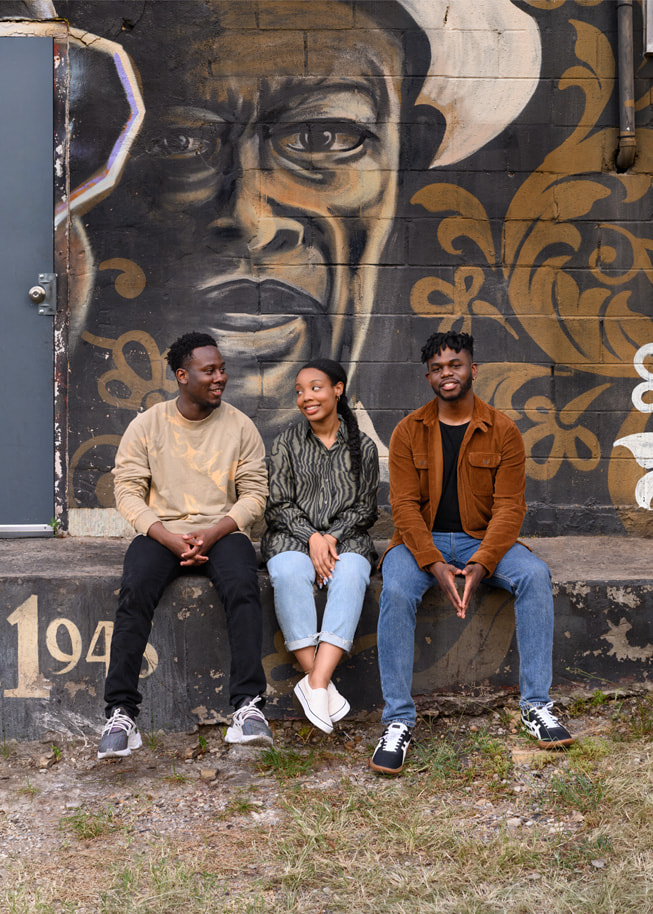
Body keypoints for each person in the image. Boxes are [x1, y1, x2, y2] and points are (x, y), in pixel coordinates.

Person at [370, 331, 574, 775]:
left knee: (534, 575)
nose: (448, 374)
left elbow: (510, 508)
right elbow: (402, 508)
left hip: (482, 540)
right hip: (417, 541)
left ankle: (537, 706)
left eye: (455, 365)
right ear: (429, 376)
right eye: (438, 368)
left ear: (472, 370)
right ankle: (398, 722)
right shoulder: (409, 431)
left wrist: (481, 563)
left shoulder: (503, 431)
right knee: (397, 591)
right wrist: (434, 564)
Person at [98, 331, 272, 759]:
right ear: (182, 375)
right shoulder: (148, 424)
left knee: (242, 586)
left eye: (222, 369)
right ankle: (121, 713)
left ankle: (248, 708)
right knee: (136, 586)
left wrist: (212, 532)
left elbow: (254, 494)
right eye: (209, 370)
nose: (220, 378)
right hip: (162, 531)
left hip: (222, 531)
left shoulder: (240, 426)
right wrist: (167, 536)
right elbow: (127, 492)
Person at [261, 359, 379, 733]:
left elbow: (365, 508)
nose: (305, 397)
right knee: (288, 571)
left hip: (347, 540)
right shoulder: (285, 443)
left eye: (315, 387)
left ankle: (313, 682)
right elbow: (278, 504)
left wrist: (331, 537)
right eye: (299, 391)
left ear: (337, 389)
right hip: (292, 537)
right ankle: (322, 685)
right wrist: (311, 536)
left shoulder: (364, 446)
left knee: (352, 574)